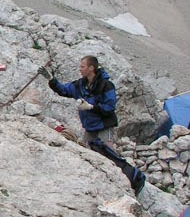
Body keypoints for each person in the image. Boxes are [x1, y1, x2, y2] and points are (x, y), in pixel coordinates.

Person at [40, 56, 146, 195]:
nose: (80, 69)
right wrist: (51, 80)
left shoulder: (105, 85)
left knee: (109, 156)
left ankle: (125, 184)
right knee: (86, 156)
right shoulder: (81, 85)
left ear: (91, 68)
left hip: (103, 126)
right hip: (90, 128)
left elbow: (109, 107)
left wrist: (91, 107)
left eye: (83, 66)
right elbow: (64, 90)